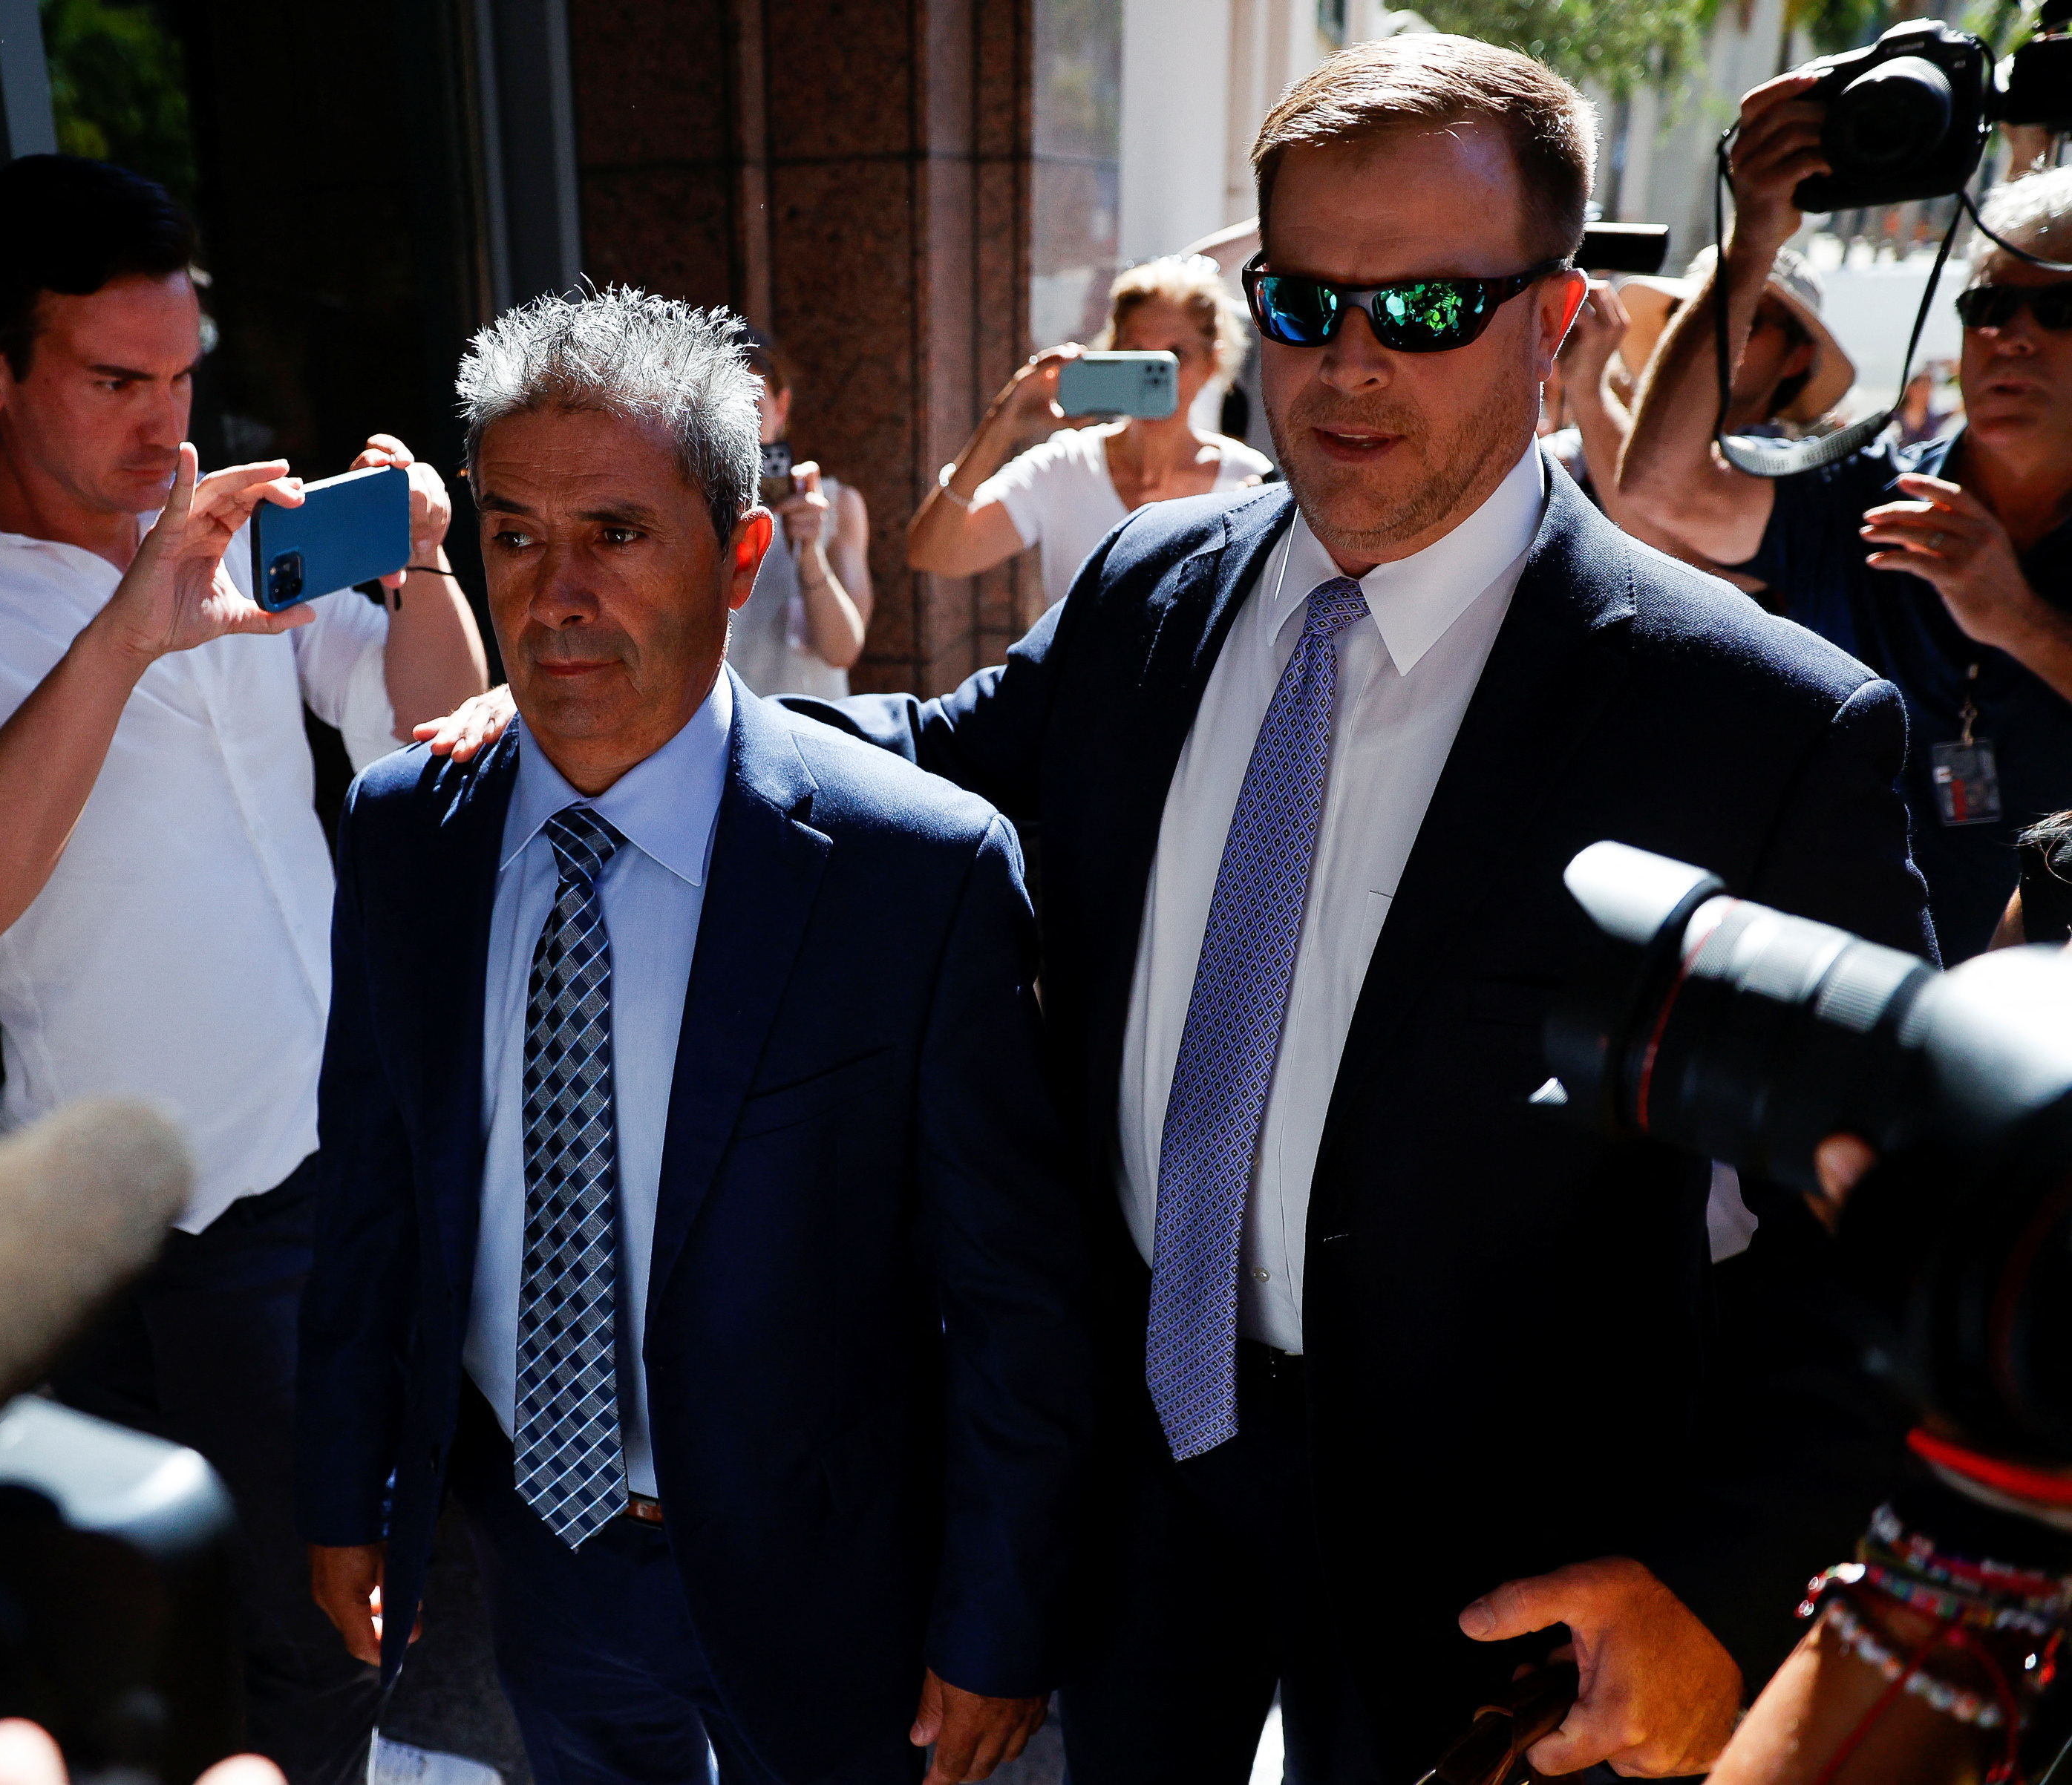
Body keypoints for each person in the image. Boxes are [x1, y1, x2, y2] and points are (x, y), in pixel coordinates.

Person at [428, 35, 1935, 1782]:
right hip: (1143, 1458)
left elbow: (1889, 1229)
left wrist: (1721, 1582)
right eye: (1301, 302)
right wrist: (638, 709)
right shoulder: (1152, 586)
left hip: (1504, 1548)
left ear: (1557, 327)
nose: (1349, 363)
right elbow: (922, 760)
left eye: (1427, 311)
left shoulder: (1753, 721)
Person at [297, 289, 1091, 1785]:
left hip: (836, 1572)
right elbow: (374, 1192)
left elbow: (1015, 1299)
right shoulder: (408, 832)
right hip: (539, 1551)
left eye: (615, 530)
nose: (554, 591)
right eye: (516, 532)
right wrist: (346, 1485)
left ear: (739, 555)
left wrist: (1001, 1615)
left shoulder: (913, 871)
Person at [0, 154, 491, 1785]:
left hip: (358, 1147)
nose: (166, 428)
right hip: (185, 1223)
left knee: (355, 1585)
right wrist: (127, 626)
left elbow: (432, 743)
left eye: (182, 377)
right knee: (305, 1631)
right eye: (116, 381)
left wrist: (430, 564)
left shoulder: (232, 535)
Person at [1615, 81, 2072, 960]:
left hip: (2032, 1045)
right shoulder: (1866, 500)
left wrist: (2018, 620)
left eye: (2054, 307)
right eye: (1986, 307)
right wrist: (1753, 238)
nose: (2008, 336)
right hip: (1835, 1016)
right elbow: (1660, 490)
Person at [908, 255, 1271, 612]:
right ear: (1113, 354)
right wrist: (1001, 425)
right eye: (1137, 354)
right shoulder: (1066, 464)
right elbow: (936, 554)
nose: (1153, 377)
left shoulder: (1252, 482)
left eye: (1174, 356)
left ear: (1212, 363)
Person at [1547, 246, 1851, 596]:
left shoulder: (1794, 481)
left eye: (1746, 324)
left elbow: (1678, 576)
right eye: (1689, 318)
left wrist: (1588, 394)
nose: (1706, 339)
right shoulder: (1601, 435)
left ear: (1798, 357)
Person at [724, 330, 871, 697]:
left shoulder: (835, 505)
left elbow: (843, 650)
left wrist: (810, 553)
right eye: (724, 411)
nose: (739, 430)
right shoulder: (682, 509)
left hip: (811, 727)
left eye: (751, 409)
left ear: (781, 408)